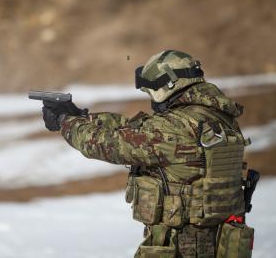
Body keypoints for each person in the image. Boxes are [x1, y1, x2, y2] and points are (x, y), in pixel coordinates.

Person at [40, 50, 254, 257]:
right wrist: (82, 116)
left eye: (151, 90)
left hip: (181, 245)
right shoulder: (219, 119)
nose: (151, 98)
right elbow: (137, 130)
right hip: (221, 241)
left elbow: (103, 143)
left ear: (169, 85)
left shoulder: (172, 128)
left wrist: (64, 122)